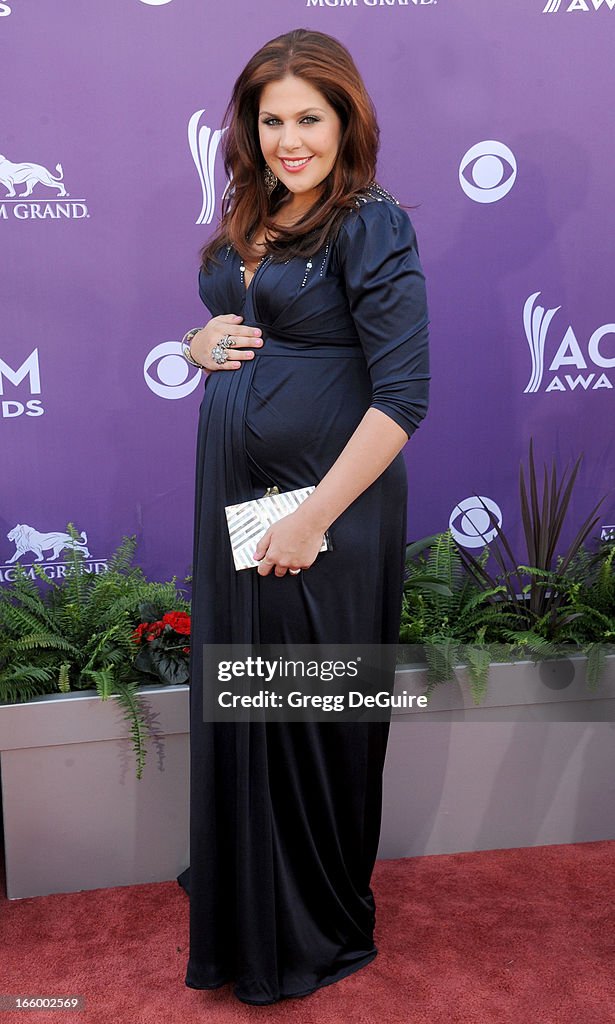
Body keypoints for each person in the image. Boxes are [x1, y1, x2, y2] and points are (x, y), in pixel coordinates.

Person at [176, 27, 430, 1006]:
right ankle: (247, 897)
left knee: (310, 714)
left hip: (324, 513)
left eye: (308, 119)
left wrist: (313, 519)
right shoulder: (262, 210)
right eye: (272, 119)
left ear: (345, 118)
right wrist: (201, 344)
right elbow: (247, 328)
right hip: (241, 505)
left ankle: (314, 920)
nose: (290, 139)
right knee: (254, 703)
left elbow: (401, 398)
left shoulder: (370, 224)